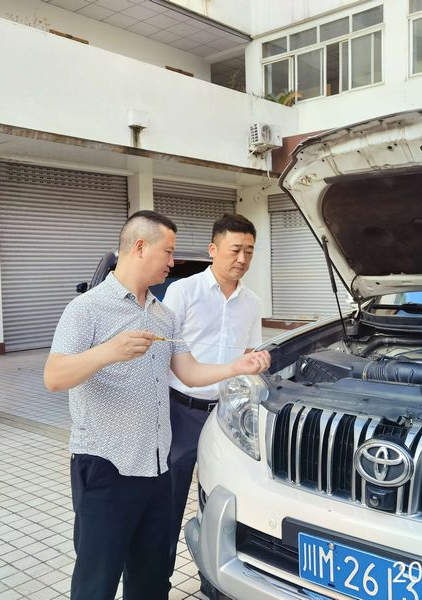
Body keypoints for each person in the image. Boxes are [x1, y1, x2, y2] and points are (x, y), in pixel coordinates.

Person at [42, 210, 271, 600]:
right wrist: (107, 352)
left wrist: (237, 366)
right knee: (96, 582)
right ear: (139, 247)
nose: (172, 261)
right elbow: (53, 376)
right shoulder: (87, 308)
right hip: (106, 465)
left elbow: (188, 371)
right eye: (168, 252)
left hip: (157, 467)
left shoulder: (164, 315)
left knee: (149, 582)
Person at [162, 213, 260, 577]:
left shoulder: (252, 301)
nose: (242, 259)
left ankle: (217, 580)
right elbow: (165, 353)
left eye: (249, 251)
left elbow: (249, 355)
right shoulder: (183, 291)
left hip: (225, 415)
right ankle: (158, 581)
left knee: (223, 503)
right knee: (169, 504)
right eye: (235, 250)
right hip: (181, 413)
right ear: (213, 249)